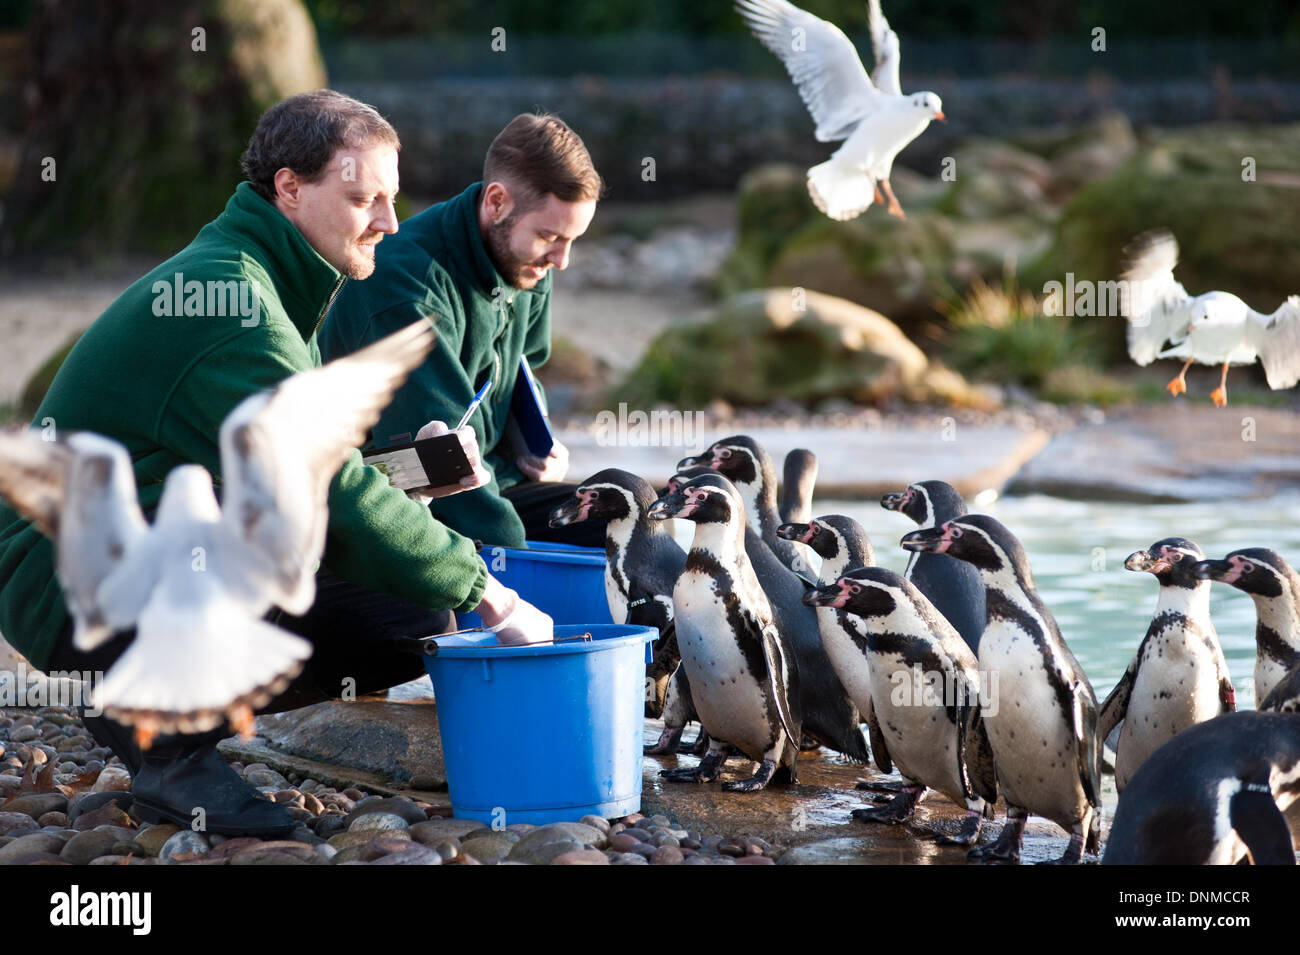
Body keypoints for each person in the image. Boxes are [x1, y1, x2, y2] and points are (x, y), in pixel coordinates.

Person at [0, 90, 552, 837]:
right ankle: (160, 738)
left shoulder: (262, 275)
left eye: (392, 199)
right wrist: (489, 590)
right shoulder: (230, 303)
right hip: (57, 581)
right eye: (364, 198)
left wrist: (411, 481)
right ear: (290, 189)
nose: (389, 222)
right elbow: (326, 484)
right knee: (411, 605)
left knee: (399, 605)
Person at [319, 113, 605, 549]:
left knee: (623, 516)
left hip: (497, 479)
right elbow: (437, 468)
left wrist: (537, 443)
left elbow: (527, 365)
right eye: (550, 236)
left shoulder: (527, 261)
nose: (562, 260)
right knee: (508, 557)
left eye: (572, 240)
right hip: (390, 497)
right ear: (496, 202)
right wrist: (514, 578)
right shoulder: (406, 287)